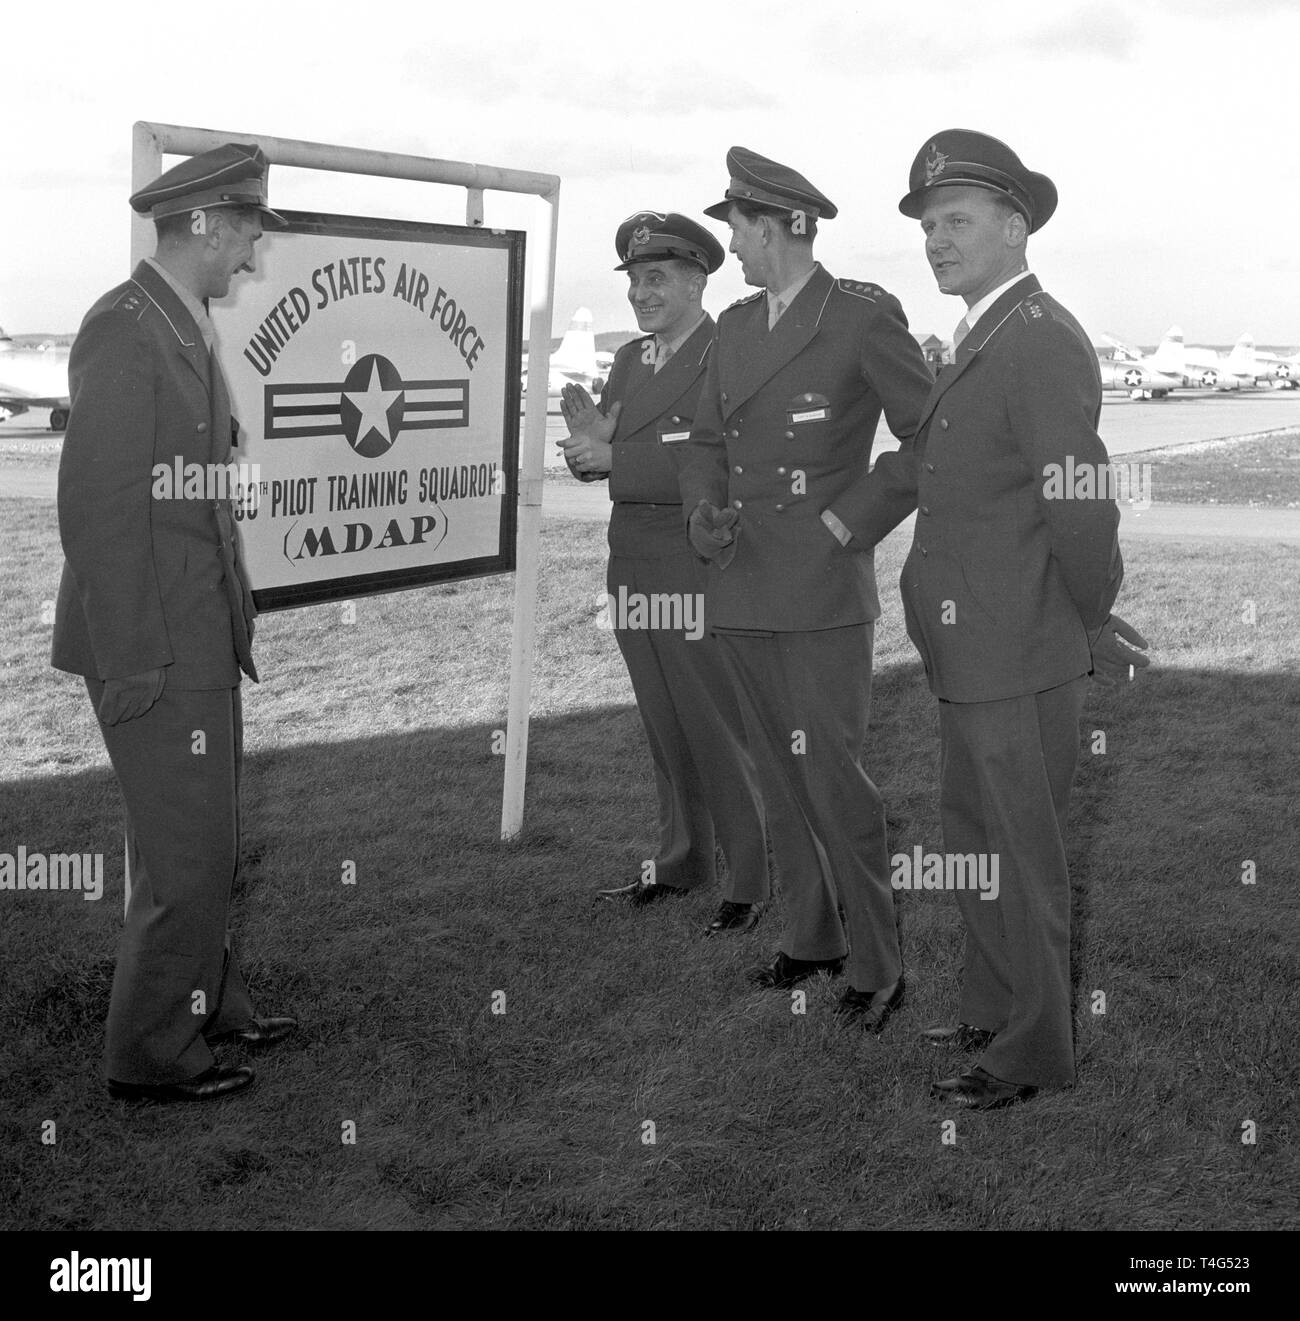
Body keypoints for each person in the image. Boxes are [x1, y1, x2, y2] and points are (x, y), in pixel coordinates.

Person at [833, 128, 1150, 1107]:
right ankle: (988, 1006)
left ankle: (1029, 1051)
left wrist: (1090, 619)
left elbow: (1079, 500)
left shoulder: (1039, 339)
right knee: (976, 837)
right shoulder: (980, 337)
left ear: (1015, 227)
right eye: (927, 225)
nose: (936, 240)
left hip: (1016, 649)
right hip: (971, 653)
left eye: (956, 220)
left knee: (1020, 852)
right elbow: (929, 469)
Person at [52, 142, 296, 1102]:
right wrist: (137, 657)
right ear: (201, 224)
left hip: (197, 635)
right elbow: (99, 511)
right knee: (188, 856)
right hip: (152, 643)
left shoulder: (178, 323)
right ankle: (152, 1052)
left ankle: (208, 1002)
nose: (250, 256)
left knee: (199, 842)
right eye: (243, 234)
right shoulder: (126, 328)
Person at [677, 148, 934, 1027]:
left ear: (783, 226)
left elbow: (926, 436)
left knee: (831, 775)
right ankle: (812, 938)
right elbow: (705, 445)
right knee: (779, 777)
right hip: (741, 581)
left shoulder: (861, 317)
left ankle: (877, 963)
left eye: (740, 230)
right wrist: (703, 512)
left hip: (822, 587)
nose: (733, 250)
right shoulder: (735, 328)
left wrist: (850, 521)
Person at [560, 211, 769, 935]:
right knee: (664, 724)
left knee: (715, 725)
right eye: (636, 281)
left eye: (657, 279)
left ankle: (751, 878)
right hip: (634, 565)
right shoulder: (628, 362)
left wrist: (617, 461)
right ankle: (682, 861)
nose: (641, 294)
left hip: (691, 564)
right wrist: (586, 452)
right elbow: (604, 455)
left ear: (696, 281)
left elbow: (724, 465)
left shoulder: (726, 354)